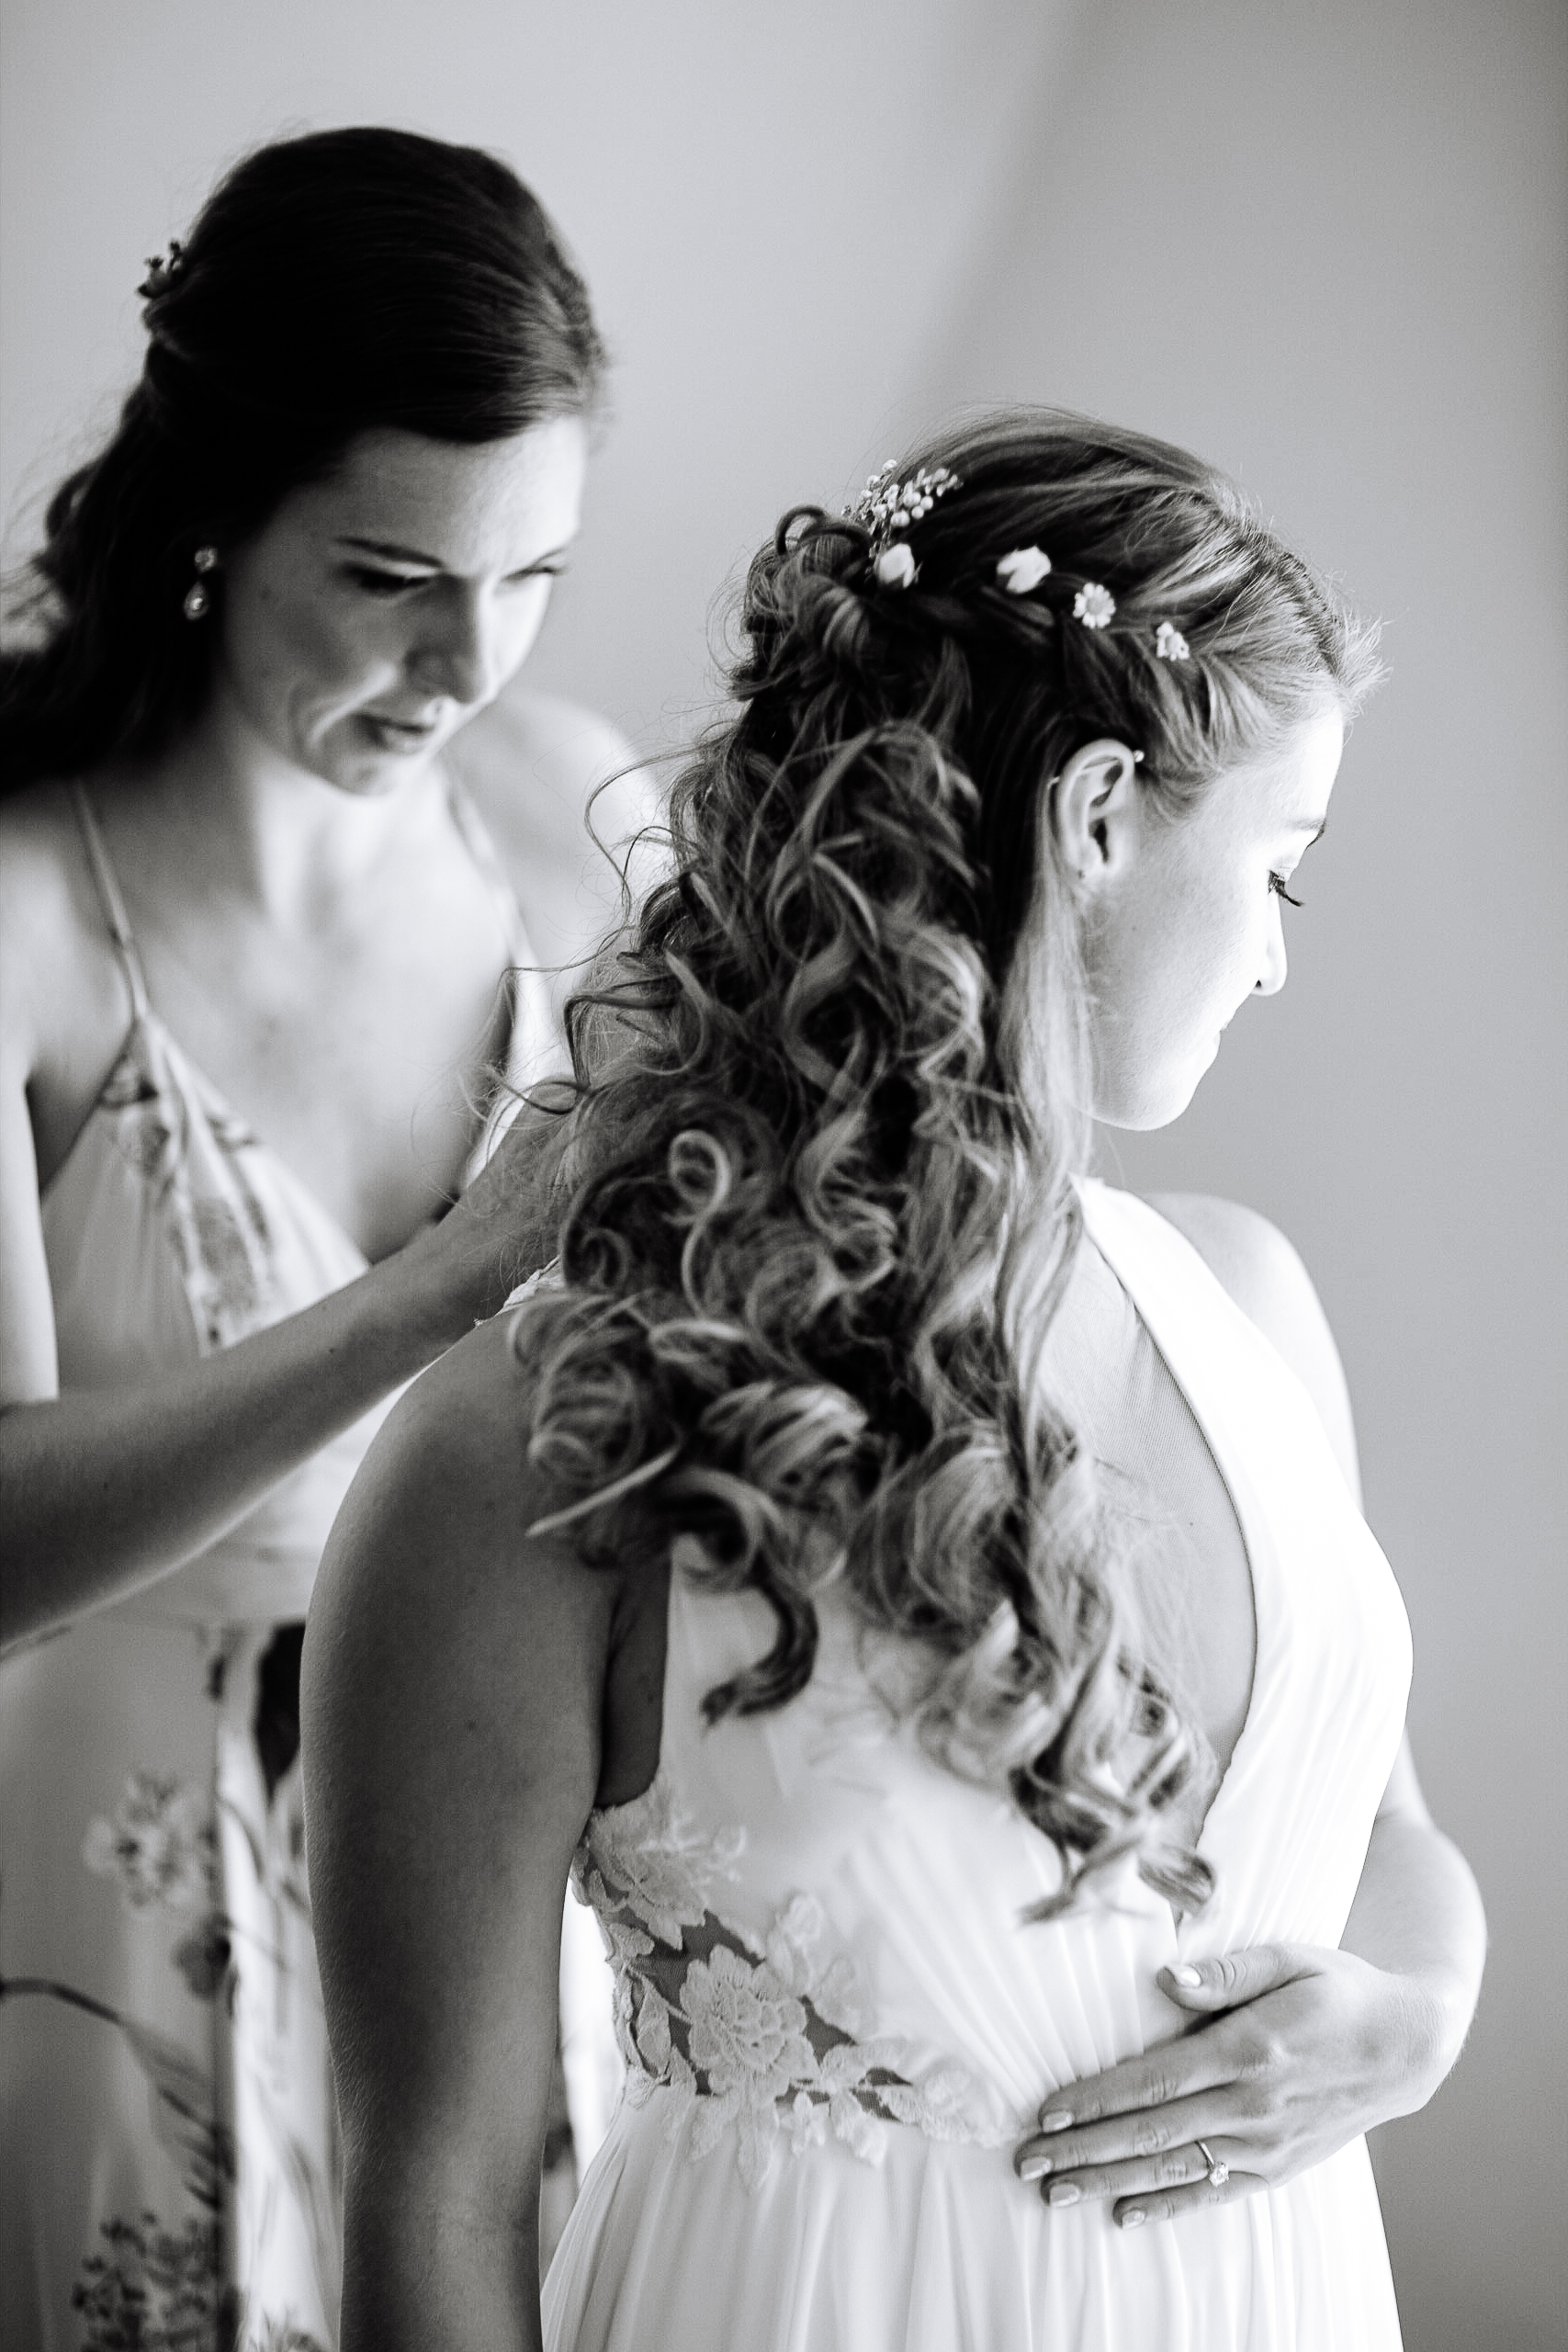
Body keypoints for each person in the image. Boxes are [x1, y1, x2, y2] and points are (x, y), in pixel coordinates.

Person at [302, 413, 1486, 2351]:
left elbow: (1385, 1840)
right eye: (1278, 868)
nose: (1274, 959)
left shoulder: (1251, 1308)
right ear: (1098, 811)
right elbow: (436, 2184)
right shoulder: (539, 1447)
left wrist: (1412, 2013)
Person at [0, 125, 637, 2352]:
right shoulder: (20, 927)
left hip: (494, 1892)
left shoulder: (572, 834)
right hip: (105, 1907)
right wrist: (446, 1281)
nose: (470, 662)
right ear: (214, 516)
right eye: (391, 573)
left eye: (533, 574)